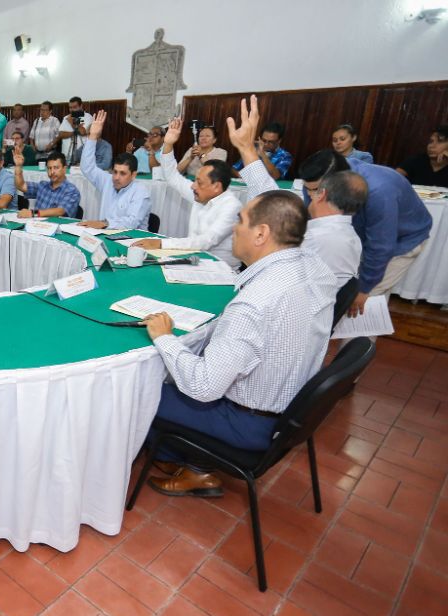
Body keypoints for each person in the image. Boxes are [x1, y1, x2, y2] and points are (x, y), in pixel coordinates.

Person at [143, 188, 338, 496]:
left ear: (261, 234)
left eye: (241, 220)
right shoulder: (317, 269)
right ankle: (178, 455)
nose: (234, 228)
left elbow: (203, 387)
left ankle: (197, 469)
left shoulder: (254, 303)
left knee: (142, 389)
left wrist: (165, 337)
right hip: (288, 411)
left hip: (246, 423)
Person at [231, 97, 365, 283]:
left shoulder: (327, 239)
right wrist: (246, 149)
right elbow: (269, 193)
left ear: (322, 193)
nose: (308, 195)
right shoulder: (323, 224)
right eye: (307, 189)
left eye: (312, 189)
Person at [300, 148, 431, 317]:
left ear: (337, 184)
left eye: (316, 191)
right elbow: (313, 220)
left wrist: (363, 289)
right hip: (360, 235)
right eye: (307, 189)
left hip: (401, 239)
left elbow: (381, 246)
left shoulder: (379, 191)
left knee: (365, 302)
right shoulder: (317, 181)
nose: (311, 196)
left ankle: (365, 333)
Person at [131, 117, 241, 266]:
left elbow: (206, 241)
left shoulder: (232, 206)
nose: (193, 186)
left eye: (199, 182)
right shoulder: (201, 194)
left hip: (221, 269)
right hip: (194, 262)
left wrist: (161, 243)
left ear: (216, 186)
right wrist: (168, 144)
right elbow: (171, 176)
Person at [77, 110, 151, 229]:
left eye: (122, 173)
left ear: (133, 175)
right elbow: (87, 167)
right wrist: (92, 137)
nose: (116, 177)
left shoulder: (140, 192)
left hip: (131, 238)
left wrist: (104, 224)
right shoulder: (108, 180)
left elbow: (132, 223)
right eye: (115, 172)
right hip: (104, 234)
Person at [13, 150, 81, 218]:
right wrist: (18, 166)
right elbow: (21, 186)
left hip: (56, 224)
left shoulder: (72, 190)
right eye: (49, 168)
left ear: (64, 169)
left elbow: (60, 211)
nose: (52, 172)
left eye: (56, 168)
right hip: (35, 223)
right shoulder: (43, 186)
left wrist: (33, 213)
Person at [58, 97, 93, 165]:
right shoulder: (66, 117)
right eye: (70, 107)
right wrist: (74, 132)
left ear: (81, 106)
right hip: (66, 155)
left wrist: (72, 122)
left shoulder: (87, 117)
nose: (72, 110)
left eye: (74, 107)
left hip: (81, 155)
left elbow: (82, 132)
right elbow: (60, 134)